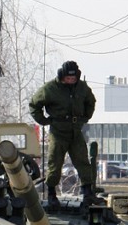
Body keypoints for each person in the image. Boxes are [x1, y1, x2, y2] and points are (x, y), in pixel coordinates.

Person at [29, 60, 98, 210]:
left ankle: (87, 192)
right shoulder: (50, 88)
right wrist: (44, 121)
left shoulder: (81, 87)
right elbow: (34, 104)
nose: (71, 80)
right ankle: (52, 194)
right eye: (68, 78)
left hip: (75, 130)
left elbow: (90, 102)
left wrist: (85, 117)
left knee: (83, 161)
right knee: (55, 163)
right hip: (58, 131)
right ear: (62, 76)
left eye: (73, 78)